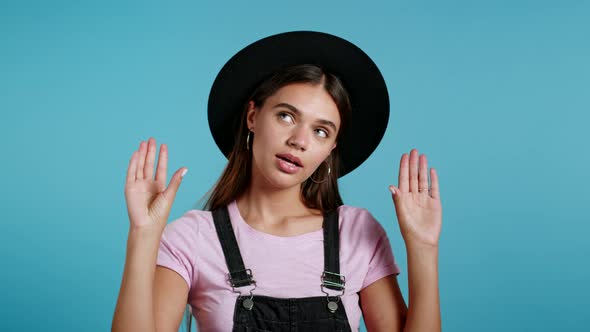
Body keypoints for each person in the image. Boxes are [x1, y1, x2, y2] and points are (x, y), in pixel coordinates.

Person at [112, 31, 442, 332]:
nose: (299, 140)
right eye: (286, 116)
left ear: (330, 150)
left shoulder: (356, 232)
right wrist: (143, 235)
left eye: (320, 131)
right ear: (253, 116)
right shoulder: (193, 237)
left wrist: (423, 248)